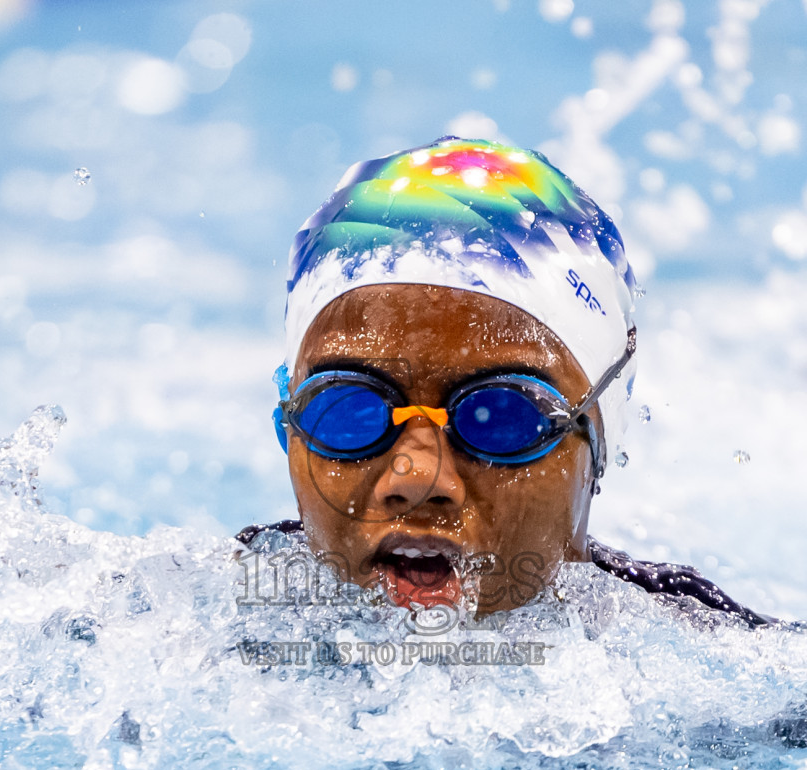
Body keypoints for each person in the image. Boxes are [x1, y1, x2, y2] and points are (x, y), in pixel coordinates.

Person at [237, 137, 765, 628]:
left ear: (598, 442)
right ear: (289, 428)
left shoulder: (715, 665)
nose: (418, 477)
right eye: (351, 411)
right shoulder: (207, 619)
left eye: (500, 417)